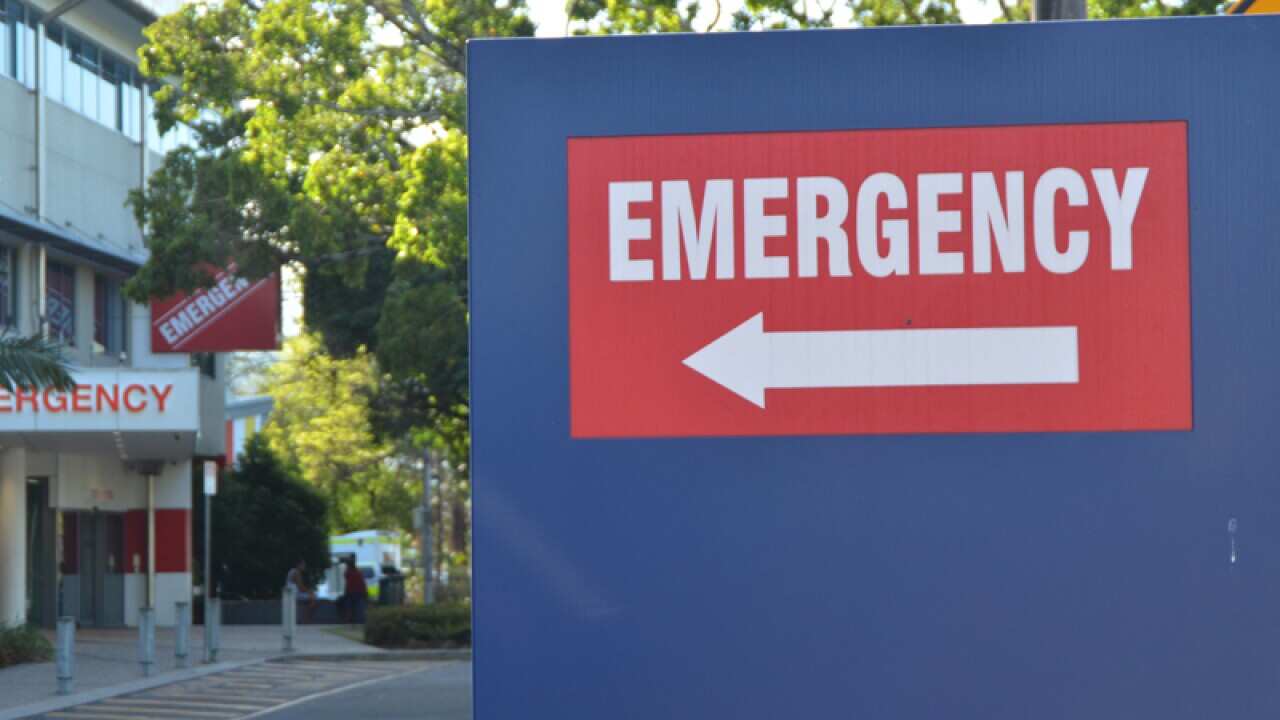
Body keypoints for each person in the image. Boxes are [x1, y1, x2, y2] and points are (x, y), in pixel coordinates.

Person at [285, 559, 318, 624]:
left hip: (290, 594)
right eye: (303, 565)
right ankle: (305, 620)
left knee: (311, 597)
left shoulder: (291, 571)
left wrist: (309, 591)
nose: (304, 566)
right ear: (298, 565)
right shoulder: (297, 572)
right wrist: (310, 591)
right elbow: (300, 587)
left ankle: (304, 619)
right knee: (314, 598)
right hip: (295, 594)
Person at [343, 557, 368, 625]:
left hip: (351, 592)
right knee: (358, 607)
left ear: (349, 565)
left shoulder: (349, 573)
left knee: (350, 607)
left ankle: (350, 620)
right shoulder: (358, 572)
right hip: (358, 592)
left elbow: (345, 576)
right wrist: (365, 592)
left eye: (347, 565)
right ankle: (357, 619)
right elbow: (362, 583)